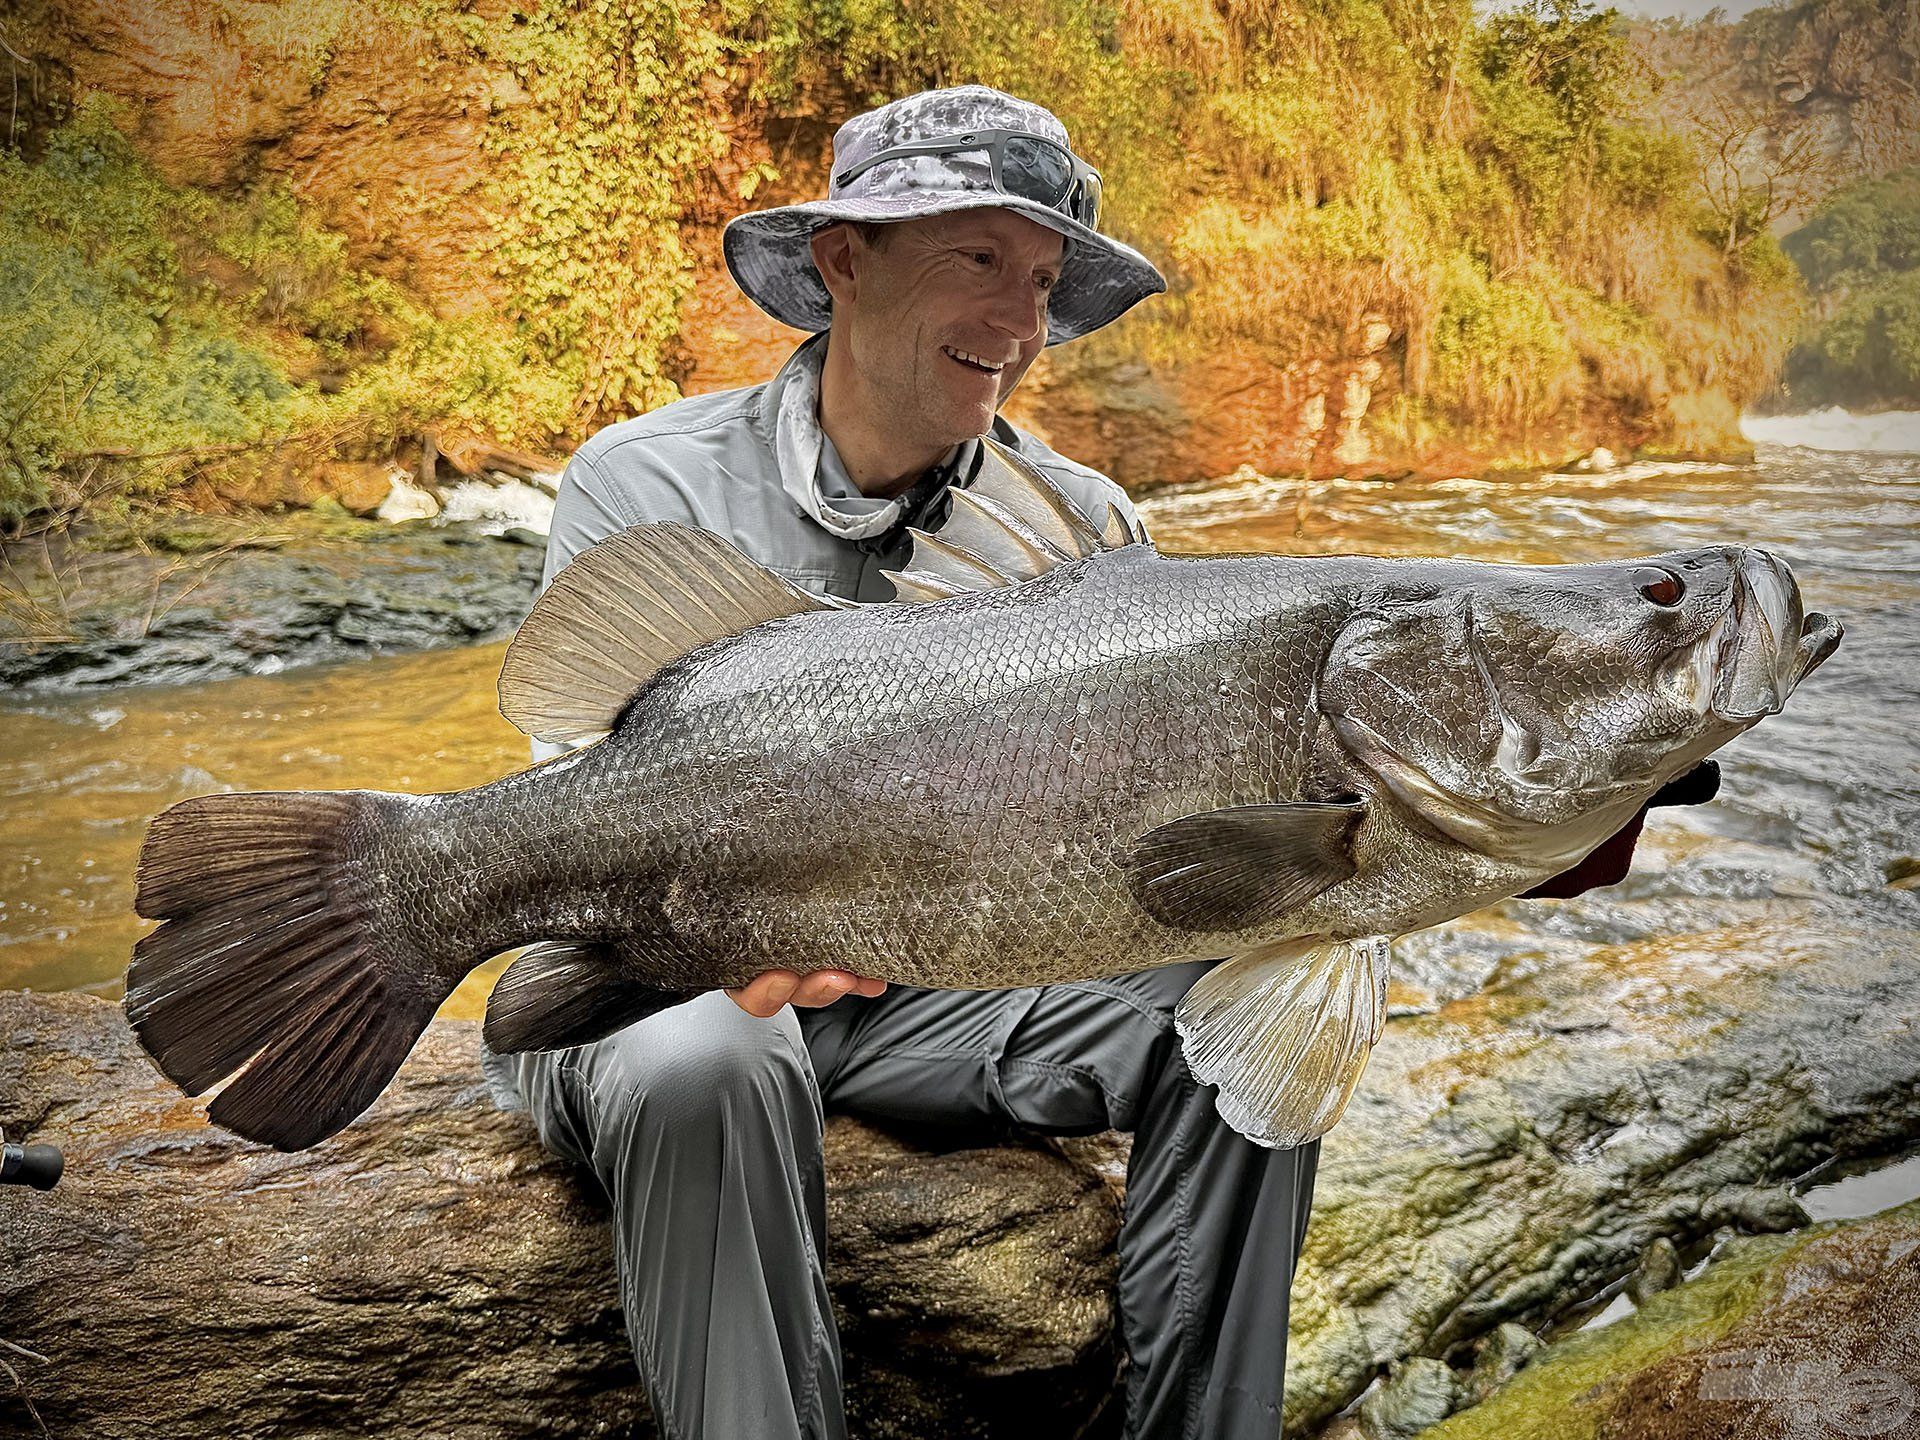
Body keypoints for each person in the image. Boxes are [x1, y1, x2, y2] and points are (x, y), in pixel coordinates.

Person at [480, 83, 1682, 1440]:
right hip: (678, 968)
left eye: (1044, 281)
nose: (1017, 321)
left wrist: (1552, 816)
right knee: (714, 1059)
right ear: (841, 259)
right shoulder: (647, 483)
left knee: (1259, 1016)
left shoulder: (1088, 530)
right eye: (977, 259)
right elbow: (581, 809)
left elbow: (1218, 855)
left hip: (931, 995)